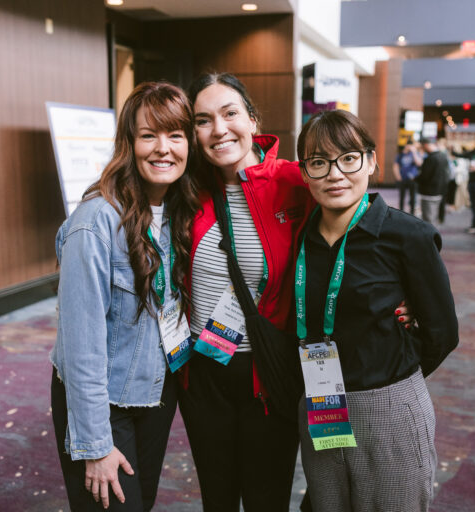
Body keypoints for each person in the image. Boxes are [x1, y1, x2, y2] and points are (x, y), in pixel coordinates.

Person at [294, 109, 458, 511]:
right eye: (319, 163)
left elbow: (442, 334)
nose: (335, 174)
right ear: (304, 173)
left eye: (348, 158)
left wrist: (392, 376)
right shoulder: (301, 237)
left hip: (389, 406)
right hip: (322, 401)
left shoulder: (407, 235)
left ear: (371, 161)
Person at [50, 82, 200, 511]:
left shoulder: (176, 210)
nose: (163, 148)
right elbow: (80, 347)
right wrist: (96, 445)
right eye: (148, 135)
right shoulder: (95, 222)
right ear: (128, 143)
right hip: (103, 400)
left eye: (175, 135)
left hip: (153, 393)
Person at [177, 72, 315, 511]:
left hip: (269, 373)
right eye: (203, 120)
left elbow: (357, 231)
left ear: (253, 119)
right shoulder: (185, 191)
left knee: (266, 498)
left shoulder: (296, 183)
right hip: (202, 373)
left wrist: (399, 295)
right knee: (216, 498)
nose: (219, 129)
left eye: (230, 113)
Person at [416, 137, 449, 225]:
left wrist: (415, 179)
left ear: (426, 145)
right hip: (439, 191)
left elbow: (424, 176)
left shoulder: (430, 159)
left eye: (422, 147)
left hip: (428, 192)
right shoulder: (443, 156)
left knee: (428, 218)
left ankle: (431, 238)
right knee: (433, 216)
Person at [392, 142, 422, 214]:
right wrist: (398, 176)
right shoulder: (400, 155)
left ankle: (412, 212)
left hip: (413, 179)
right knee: (402, 196)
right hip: (403, 178)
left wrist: (414, 152)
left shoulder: (415, 153)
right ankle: (401, 212)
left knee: (413, 197)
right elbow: (395, 166)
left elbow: (419, 163)